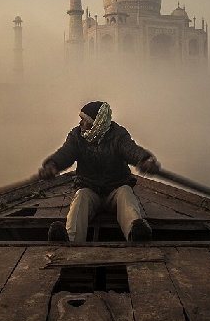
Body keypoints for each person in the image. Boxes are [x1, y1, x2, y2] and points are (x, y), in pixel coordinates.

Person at [37, 101, 160, 242]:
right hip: (90, 189)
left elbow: (131, 150)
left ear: (97, 123)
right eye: (81, 119)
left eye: (85, 120)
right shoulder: (77, 135)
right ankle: (71, 241)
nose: (81, 123)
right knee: (80, 197)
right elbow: (66, 153)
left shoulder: (118, 134)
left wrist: (144, 160)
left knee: (126, 193)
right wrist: (53, 165)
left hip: (116, 189)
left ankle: (136, 234)